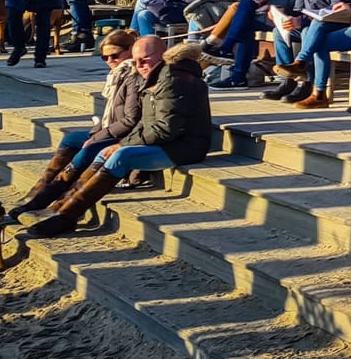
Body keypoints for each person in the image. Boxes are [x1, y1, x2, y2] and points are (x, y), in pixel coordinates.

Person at [27, 36, 212, 237]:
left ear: (163, 54)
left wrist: (123, 144)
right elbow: (146, 123)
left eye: (145, 58)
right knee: (106, 152)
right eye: (135, 60)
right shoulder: (157, 75)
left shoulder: (173, 79)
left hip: (186, 146)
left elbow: (166, 129)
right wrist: (119, 144)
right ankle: (60, 207)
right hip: (167, 142)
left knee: (120, 156)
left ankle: (67, 216)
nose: (139, 65)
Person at [7, 30, 143, 221]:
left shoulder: (134, 75)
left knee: (87, 151)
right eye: (105, 57)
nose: (110, 61)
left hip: (127, 135)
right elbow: (110, 116)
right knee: (71, 139)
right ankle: (39, 191)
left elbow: (130, 120)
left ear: (130, 51)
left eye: (115, 55)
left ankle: (59, 202)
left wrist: (96, 137)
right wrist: (96, 133)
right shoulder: (116, 75)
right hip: (109, 130)